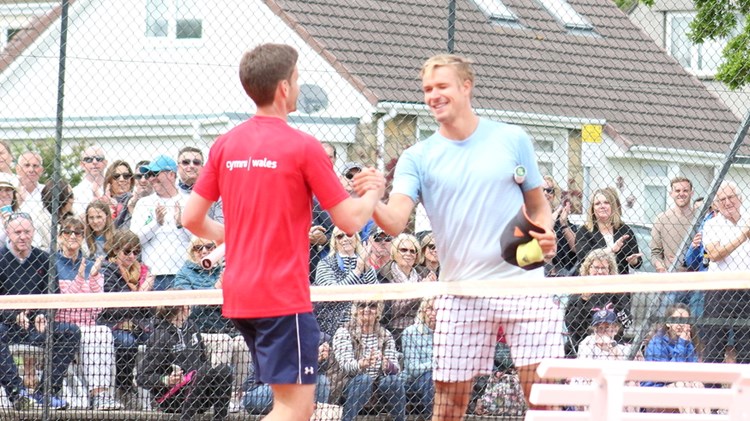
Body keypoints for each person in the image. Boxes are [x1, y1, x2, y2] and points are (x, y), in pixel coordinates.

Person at [181, 43, 384, 421]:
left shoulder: (226, 144)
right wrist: (373, 191)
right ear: (284, 88)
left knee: (287, 404)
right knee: (295, 409)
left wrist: (237, 237)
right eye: (297, 77)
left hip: (240, 293)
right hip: (281, 296)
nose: (299, 84)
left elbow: (191, 218)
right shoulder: (303, 146)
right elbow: (351, 221)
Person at [351, 54, 560, 418]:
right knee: (448, 407)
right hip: (460, 293)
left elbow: (538, 205)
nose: (433, 95)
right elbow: (396, 221)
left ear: (466, 86)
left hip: (523, 285)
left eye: (441, 86)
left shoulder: (512, 139)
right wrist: (371, 198)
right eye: (427, 89)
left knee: (544, 401)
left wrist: (543, 231)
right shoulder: (418, 157)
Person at [0, 212, 81, 409]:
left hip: (36, 327)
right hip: (6, 327)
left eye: (27, 231)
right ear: (8, 233)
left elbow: (53, 293)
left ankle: (45, 393)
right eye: (17, 232)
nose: (22, 236)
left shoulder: (43, 259)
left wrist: (44, 314)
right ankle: (18, 393)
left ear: (33, 232)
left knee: (71, 332)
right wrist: (13, 315)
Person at [54, 216, 122, 410]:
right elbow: (62, 304)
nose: (73, 236)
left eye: (78, 232)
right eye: (67, 232)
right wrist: (78, 281)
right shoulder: (52, 264)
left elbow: (97, 307)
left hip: (88, 322)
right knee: (89, 333)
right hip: (64, 325)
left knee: (101, 332)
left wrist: (91, 280)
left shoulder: (91, 264)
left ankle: (100, 395)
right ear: (59, 237)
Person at [173, 236, 248, 410]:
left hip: (228, 327)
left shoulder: (227, 269)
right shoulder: (185, 273)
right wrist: (215, 292)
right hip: (198, 330)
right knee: (222, 340)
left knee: (242, 343)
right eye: (198, 248)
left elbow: (240, 300)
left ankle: (235, 394)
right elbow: (187, 309)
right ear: (192, 253)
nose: (205, 251)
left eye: (209, 246)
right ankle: (218, 395)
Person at [137, 303, 233, 421]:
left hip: (200, 392)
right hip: (173, 399)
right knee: (205, 370)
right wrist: (167, 380)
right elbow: (142, 377)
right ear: (183, 309)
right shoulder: (159, 337)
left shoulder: (192, 327)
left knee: (224, 370)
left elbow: (202, 359)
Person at [97, 229, 154, 404]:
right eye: (127, 251)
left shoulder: (143, 272)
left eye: (136, 252)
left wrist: (139, 301)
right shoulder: (107, 270)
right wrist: (140, 296)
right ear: (115, 250)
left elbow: (148, 311)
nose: (131, 256)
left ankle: (158, 390)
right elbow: (111, 308)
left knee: (158, 338)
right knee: (127, 342)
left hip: (139, 324)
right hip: (112, 323)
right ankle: (124, 386)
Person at [330, 301, 406, 421]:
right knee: (364, 380)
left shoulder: (385, 334)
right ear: (355, 310)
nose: (367, 309)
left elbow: (396, 368)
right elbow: (345, 366)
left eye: (372, 305)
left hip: (378, 383)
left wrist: (386, 363)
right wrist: (362, 363)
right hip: (348, 382)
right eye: (361, 305)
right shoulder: (344, 332)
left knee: (394, 380)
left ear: (378, 310)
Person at [701, 181, 750, 365]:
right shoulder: (712, 225)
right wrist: (743, 236)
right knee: (714, 344)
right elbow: (714, 255)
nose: (727, 203)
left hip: (746, 288)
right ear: (716, 204)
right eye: (722, 200)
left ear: (740, 198)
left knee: (747, 346)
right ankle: (710, 390)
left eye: (731, 197)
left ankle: (745, 389)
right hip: (719, 289)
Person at [131, 155, 191, 291]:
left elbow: (199, 242)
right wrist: (156, 224)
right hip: (153, 276)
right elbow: (134, 241)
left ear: (171, 174)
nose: (151, 178)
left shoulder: (189, 201)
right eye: (149, 174)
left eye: (155, 173)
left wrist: (182, 224)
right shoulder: (144, 203)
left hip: (183, 274)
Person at [564, 248, 632, 357]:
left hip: (612, 345)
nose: (600, 272)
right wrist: (583, 300)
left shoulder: (617, 292)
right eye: (596, 268)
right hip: (584, 345)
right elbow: (572, 326)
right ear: (588, 269)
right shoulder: (578, 292)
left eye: (603, 268)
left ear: (610, 271)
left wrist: (615, 297)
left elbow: (627, 323)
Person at [243, 332, 332, 415]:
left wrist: (317, 358)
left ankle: (315, 416)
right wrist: (309, 359)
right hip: (258, 392)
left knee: (321, 381)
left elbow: (320, 370)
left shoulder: (318, 337)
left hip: (295, 388)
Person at [313, 226, 378, 338]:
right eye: (339, 236)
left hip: (363, 326)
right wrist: (358, 270)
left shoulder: (364, 262)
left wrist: (366, 267)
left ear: (356, 238)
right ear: (335, 241)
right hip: (333, 326)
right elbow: (333, 294)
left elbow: (376, 292)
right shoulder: (325, 264)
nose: (345, 239)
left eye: (349, 234)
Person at [642, 303, 707, 414]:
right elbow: (668, 375)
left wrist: (684, 343)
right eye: (677, 319)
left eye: (685, 320)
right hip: (654, 393)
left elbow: (694, 373)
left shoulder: (688, 343)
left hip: (681, 388)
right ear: (668, 323)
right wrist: (681, 344)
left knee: (697, 384)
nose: (681, 324)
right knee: (682, 386)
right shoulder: (657, 342)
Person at [378, 233, 429, 350]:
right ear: (395, 253)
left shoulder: (424, 274)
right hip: (393, 332)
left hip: (421, 330)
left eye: (412, 251)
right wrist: (421, 291)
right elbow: (390, 310)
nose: (408, 254)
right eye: (403, 250)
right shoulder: (383, 276)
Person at [575, 187, 642, 276]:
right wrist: (611, 250)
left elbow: (637, 263)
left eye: (606, 203)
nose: (602, 206)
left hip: (618, 283)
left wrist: (634, 261)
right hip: (592, 283)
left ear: (613, 206)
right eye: (598, 203)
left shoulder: (625, 230)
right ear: (593, 209)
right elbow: (584, 257)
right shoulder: (584, 231)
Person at [400, 298, 436, 420]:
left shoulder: (449, 334)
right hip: (413, 381)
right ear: (423, 311)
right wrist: (437, 364)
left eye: (439, 310)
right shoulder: (410, 333)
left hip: (442, 378)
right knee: (430, 377)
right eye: (430, 309)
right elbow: (413, 369)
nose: (434, 313)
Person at [543, 175, 577, 277]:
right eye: (541, 190)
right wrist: (558, 210)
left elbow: (577, 248)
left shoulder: (561, 217)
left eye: (549, 190)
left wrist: (563, 224)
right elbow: (544, 229)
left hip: (562, 271)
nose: (545, 193)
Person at [115, 159, 153, 229]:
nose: (143, 180)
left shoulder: (159, 200)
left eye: (147, 176)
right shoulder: (124, 199)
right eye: (139, 176)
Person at [71, 145, 108, 215]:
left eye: (99, 159)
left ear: (105, 163)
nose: (94, 162)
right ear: (82, 164)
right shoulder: (75, 193)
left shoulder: (113, 187)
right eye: (89, 159)